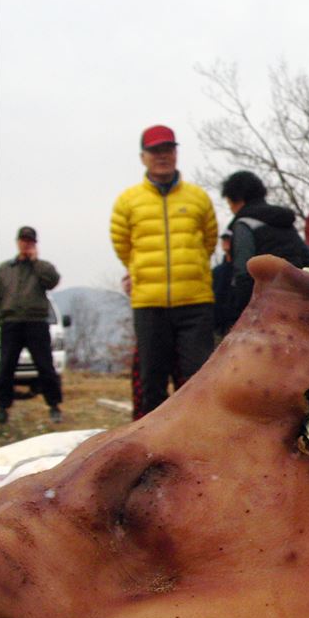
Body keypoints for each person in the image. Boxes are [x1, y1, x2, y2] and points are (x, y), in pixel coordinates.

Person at [111, 124, 218, 414]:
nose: (162, 155)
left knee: (199, 379)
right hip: (149, 304)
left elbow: (208, 242)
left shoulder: (198, 198)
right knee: (152, 382)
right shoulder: (127, 201)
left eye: (168, 149)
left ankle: (199, 443)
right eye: (155, 150)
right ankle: (152, 451)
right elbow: (122, 245)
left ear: (176, 153)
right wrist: (140, 271)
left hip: (195, 303)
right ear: (142, 156)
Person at [221, 170, 309, 329]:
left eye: (230, 203)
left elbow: (243, 273)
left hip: (265, 311)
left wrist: (243, 316)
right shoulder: (284, 221)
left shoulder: (244, 224)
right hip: (299, 304)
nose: (231, 209)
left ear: (238, 199)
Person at [0, 226, 63, 424]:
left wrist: (35, 262)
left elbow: (52, 282)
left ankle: (54, 405)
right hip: (11, 323)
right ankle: (2, 407)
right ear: (18, 242)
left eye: (30, 241)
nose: (26, 244)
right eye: (23, 241)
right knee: (6, 367)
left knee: (45, 366)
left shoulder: (42, 267)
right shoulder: (4, 269)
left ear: (35, 243)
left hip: (36, 323)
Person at [212, 231, 234, 337]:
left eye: (228, 239)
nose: (226, 242)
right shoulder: (217, 271)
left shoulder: (242, 271)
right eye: (224, 240)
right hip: (219, 326)